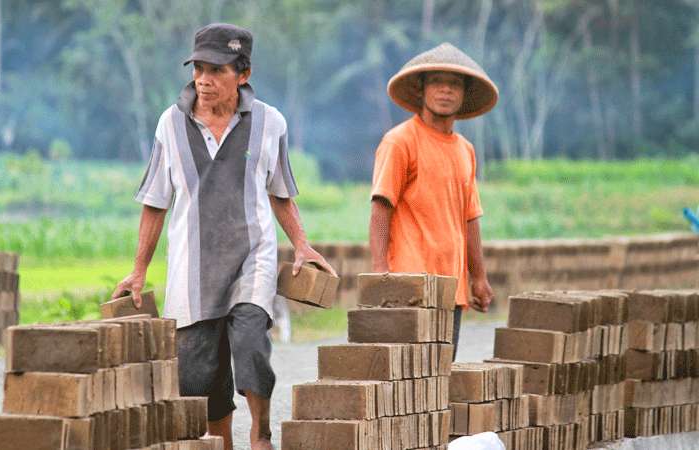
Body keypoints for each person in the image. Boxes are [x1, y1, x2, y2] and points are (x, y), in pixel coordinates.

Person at [113, 23, 335, 450]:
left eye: (216, 69)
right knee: (198, 375)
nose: (204, 79)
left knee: (251, 341)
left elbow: (281, 193)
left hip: (252, 258)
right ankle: (222, 442)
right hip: (191, 267)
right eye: (198, 67)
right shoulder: (169, 124)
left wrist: (303, 245)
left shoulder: (270, 123)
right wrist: (138, 271)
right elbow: (155, 202)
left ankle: (261, 432)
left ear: (243, 73)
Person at [369, 42, 499, 359]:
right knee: (407, 377)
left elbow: (470, 218)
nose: (445, 91)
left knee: (440, 375)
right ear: (421, 90)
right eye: (437, 82)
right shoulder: (400, 141)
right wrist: (380, 271)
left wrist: (478, 277)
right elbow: (381, 207)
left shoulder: (465, 150)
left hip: (450, 286)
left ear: (465, 93)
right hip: (409, 282)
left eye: (454, 83)